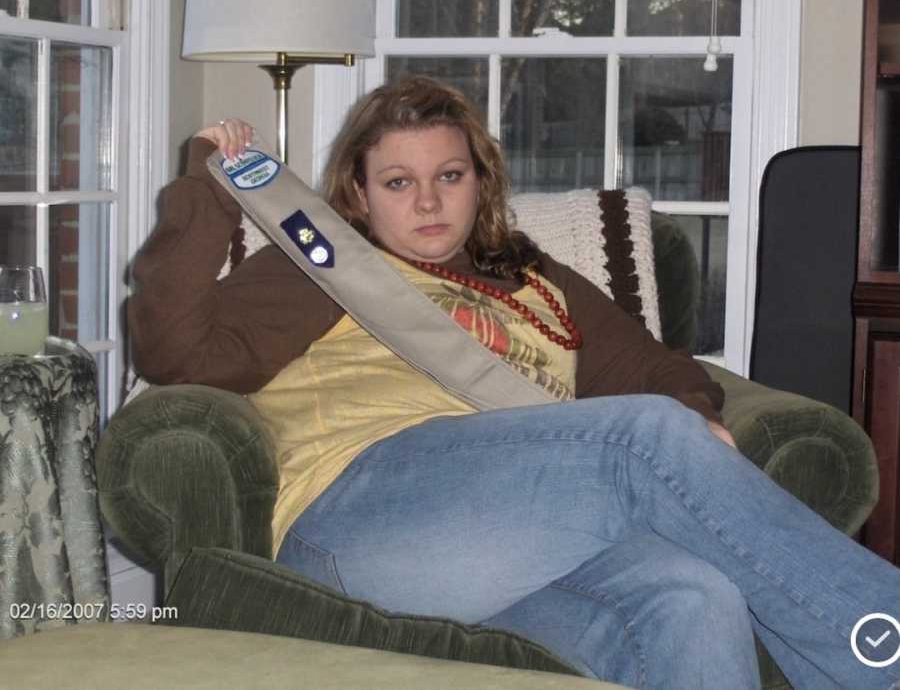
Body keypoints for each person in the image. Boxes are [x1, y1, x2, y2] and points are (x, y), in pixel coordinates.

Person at [130, 76, 900, 690]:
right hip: (359, 521)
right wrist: (205, 189)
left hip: (513, 541)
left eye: (449, 175)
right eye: (398, 181)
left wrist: (698, 410)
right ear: (359, 194)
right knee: (646, 434)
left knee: (695, 597)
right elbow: (177, 354)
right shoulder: (324, 267)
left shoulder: (535, 278)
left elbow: (659, 368)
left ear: (479, 181)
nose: (428, 201)